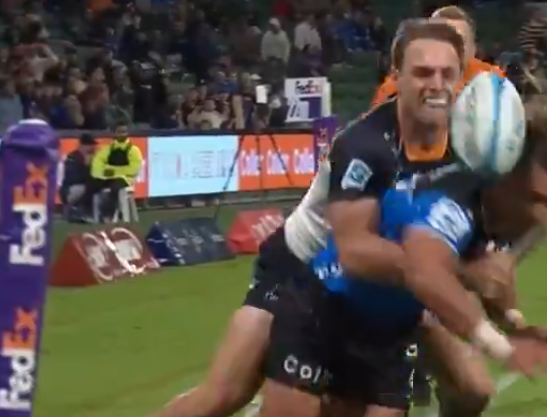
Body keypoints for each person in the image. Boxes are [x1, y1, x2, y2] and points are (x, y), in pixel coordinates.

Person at [145, 20, 466, 417]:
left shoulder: (456, 144)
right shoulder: (370, 142)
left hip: (352, 291)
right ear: (398, 75)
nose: (437, 83)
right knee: (227, 392)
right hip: (295, 266)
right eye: (425, 71)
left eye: (448, 72)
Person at [257, 95, 547, 417]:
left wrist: (515, 325)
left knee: (473, 393)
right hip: (328, 303)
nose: (542, 216)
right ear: (507, 177)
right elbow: (424, 272)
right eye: (536, 199)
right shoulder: (452, 204)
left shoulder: (501, 212)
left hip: (392, 323)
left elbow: (487, 279)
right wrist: (501, 347)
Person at [370, 6, 505, 108]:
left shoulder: (494, 81)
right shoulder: (400, 83)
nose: (451, 50)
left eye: (459, 42)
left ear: (474, 49)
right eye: (442, 40)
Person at [85, 122, 143, 221]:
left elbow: (133, 169)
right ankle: (89, 213)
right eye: (119, 132)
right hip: (108, 177)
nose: (122, 134)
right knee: (92, 184)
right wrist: (103, 173)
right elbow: (97, 165)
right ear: (113, 133)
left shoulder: (133, 150)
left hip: (125, 179)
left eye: (124, 132)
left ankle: (110, 215)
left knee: (115, 188)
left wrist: (112, 171)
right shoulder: (107, 149)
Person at [60, 133, 96, 220]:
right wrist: (86, 167)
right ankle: (76, 211)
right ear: (82, 146)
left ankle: (92, 214)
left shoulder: (94, 158)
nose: (93, 148)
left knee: (96, 187)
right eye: (90, 145)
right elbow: (74, 178)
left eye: (93, 145)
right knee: (89, 187)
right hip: (69, 190)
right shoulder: (72, 157)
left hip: (82, 187)